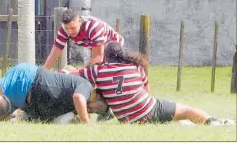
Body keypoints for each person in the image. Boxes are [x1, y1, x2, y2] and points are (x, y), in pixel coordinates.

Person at [68, 41, 236, 126]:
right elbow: (147, 91)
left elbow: (73, 74)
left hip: (126, 120)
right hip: (149, 109)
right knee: (186, 110)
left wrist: (67, 70)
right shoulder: (135, 67)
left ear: (106, 57)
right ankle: (212, 122)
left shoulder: (97, 71)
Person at [43, 8, 123, 121]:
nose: (70, 32)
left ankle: (106, 110)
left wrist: (79, 71)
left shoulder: (94, 27)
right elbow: (55, 52)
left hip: (114, 53)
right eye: (67, 28)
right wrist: (43, 73)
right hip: (98, 52)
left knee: (95, 80)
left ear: (80, 21)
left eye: (73, 28)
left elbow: (98, 58)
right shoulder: (65, 30)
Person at [0, 63, 107, 124]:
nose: (93, 111)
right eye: (98, 109)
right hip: (29, 78)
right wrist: (86, 122)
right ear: (98, 96)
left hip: (29, 98)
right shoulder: (88, 87)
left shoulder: (74, 108)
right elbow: (78, 97)